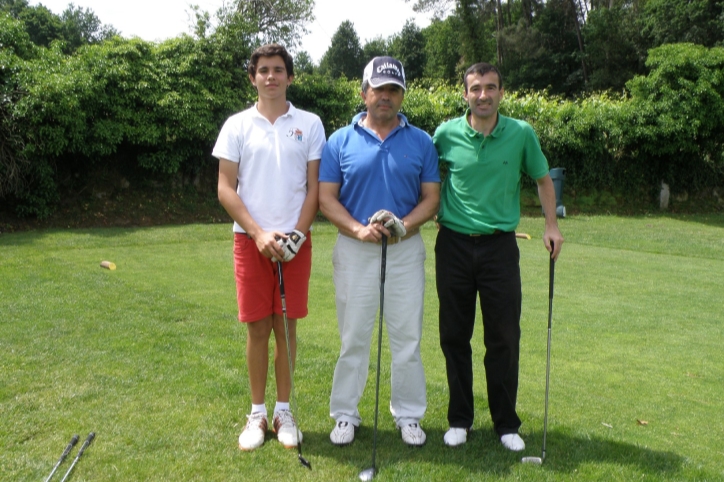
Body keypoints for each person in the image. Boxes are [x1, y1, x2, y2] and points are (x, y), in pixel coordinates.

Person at [432, 62, 564, 451]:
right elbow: (424, 174)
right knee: (454, 335)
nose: (483, 95)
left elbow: (542, 179)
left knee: (504, 336)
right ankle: (460, 419)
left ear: (501, 93)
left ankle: (506, 423)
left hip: (500, 247)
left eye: (491, 87)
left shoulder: (521, 133)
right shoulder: (445, 133)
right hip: (453, 244)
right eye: (476, 88)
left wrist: (551, 226)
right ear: (465, 94)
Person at [319, 56, 440, 447]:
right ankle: (345, 415)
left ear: (402, 95)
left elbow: (431, 199)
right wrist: (357, 228)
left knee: (406, 337)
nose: (385, 96)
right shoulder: (340, 140)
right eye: (378, 89)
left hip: (405, 249)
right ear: (363, 93)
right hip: (355, 250)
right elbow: (326, 198)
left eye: (393, 90)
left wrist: (403, 226)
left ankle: (409, 416)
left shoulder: (421, 141)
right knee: (354, 336)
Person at [213, 44, 326, 451]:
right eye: (263, 70)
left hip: (295, 242)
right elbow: (226, 189)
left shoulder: (310, 123)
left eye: (279, 70)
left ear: (290, 77)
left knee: (286, 327)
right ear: (253, 77)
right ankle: (257, 414)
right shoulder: (237, 125)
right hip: (250, 241)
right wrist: (259, 234)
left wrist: (295, 235)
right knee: (258, 327)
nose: (271, 77)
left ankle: (284, 411)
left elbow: (315, 187)